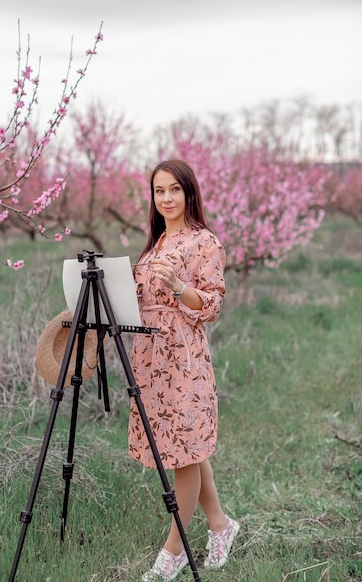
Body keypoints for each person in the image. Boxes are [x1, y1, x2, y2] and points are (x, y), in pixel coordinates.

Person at [129, 159, 240, 581]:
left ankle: (173, 553)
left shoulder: (204, 242)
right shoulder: (155, 243)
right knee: (186, 447)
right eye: (159, 191)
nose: (167, 198)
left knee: (184, 451)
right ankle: (221, 526)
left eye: (174, 189)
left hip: (183, 357)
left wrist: (178, 286)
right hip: (150, 357)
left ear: (189, 193)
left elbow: (211, 304)